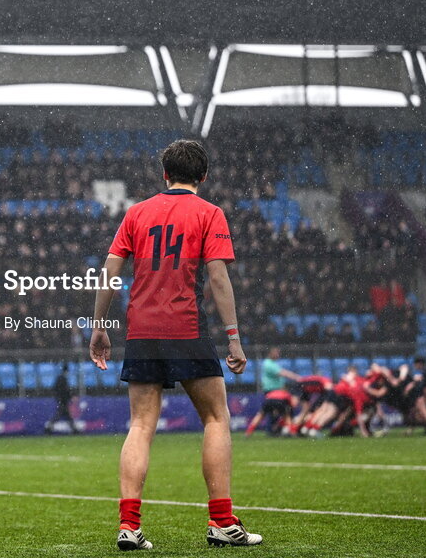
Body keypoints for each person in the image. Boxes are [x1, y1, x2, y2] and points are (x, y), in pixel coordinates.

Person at [90, 139, 262, 550]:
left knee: (141, 424)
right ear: (203, 176)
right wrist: (234, 339)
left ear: (164, 175)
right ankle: (221, 522)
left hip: (142, 331)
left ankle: (129, 526)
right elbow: (218, 279)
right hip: (185, 328)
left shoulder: (137, 212)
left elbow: (109, 271)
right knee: (217, 418)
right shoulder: (209, 213)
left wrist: (98, 325)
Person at [45, 363, 80, 434]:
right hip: (63, 400)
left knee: (64, 415)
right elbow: (65, 390)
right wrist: (70, 396)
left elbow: (56, 389)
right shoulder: (63, 379)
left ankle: (74, 430)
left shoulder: (60, 378)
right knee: (61, 415)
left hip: (61, 400)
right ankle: (48, 428)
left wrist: (59, 397)